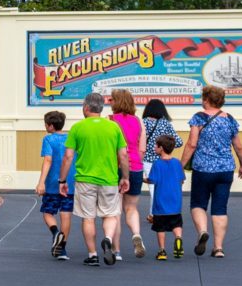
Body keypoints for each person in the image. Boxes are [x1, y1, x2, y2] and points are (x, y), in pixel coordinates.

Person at [181, 82, 242, 258]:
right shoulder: (230, 119)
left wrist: (180, 166)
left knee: (198, 204)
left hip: (203, 169)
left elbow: (192, 144)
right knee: (220, 208)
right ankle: (218, 248)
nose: (201, 101)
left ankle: (203, 231)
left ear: (208, 100)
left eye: (203, 98)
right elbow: (238, 147)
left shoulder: (198, 118)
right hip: (225, 169)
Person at [64, 94, 127, 265]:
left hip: (85, 179)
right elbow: (122, 154)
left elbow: (69, 156)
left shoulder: (77, 128)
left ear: (86, 107)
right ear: (101, 108)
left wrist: (62, 180)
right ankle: (107, 238)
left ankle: (92, 255)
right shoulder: (113, 127)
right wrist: (125, 177)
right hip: (109, 179)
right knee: (110, 214)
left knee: (88, 217)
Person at [109, 88, 148, 257]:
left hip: (115, 167)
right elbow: (142, 149)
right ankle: (136, 234)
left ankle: (116, 250)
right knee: (131, 207)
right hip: (136, 167)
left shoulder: (110, 121)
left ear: (116, 102)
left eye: (111, 99)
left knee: (115, 210)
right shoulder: (139, 122)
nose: (109, 102)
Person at [36, 109, 75, 259]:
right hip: (69, 182)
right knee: (66, 215)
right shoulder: (71, 138)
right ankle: (62, 249)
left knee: (48, 212)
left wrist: (41, 182)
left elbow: (48, 160)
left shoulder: (48, 139)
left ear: (50, 126)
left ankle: (55, 232)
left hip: (53, 183)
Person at [146, 132, 187, 260]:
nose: (154, 148)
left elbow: (152, 180)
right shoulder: (177, 163)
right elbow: (181, 180)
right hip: (175, 201)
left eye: (156, 146)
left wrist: (142, 179)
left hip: (161, 203)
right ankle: (178, 239)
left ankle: (162, 251)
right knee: (176, 224)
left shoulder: (157, 164)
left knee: (160, 228)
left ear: (161, 148)